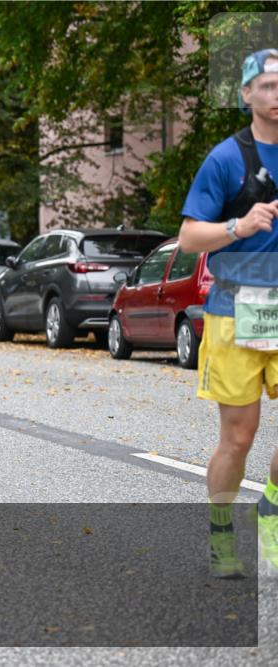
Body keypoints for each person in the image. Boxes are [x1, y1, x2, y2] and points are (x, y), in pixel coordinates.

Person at [178, 48, 278, 578]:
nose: (276, 95)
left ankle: (272, 511)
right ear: (246, 95)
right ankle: (221, 533)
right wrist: (239, 226)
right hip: (237, 310)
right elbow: (191, 236)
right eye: (266, 86)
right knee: (239, 438)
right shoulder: (225, 159)